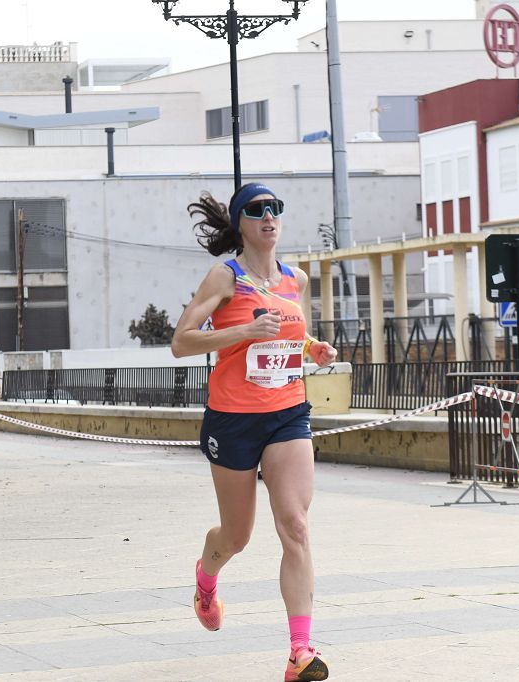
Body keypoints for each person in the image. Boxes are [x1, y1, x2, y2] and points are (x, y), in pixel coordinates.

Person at [171, 184, 338, 682]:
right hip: (234, 418)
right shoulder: (226, 276)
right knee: (237, 536)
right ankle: (207, 577)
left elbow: (287, 334)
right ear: (240, 224)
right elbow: (181, 341)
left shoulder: (296, 279)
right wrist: (242, 333)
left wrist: (312, 349)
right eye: (257, 210)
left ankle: (300, 652)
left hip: (287, 412)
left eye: (275, 209)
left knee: (296, 525)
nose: (269, 217)